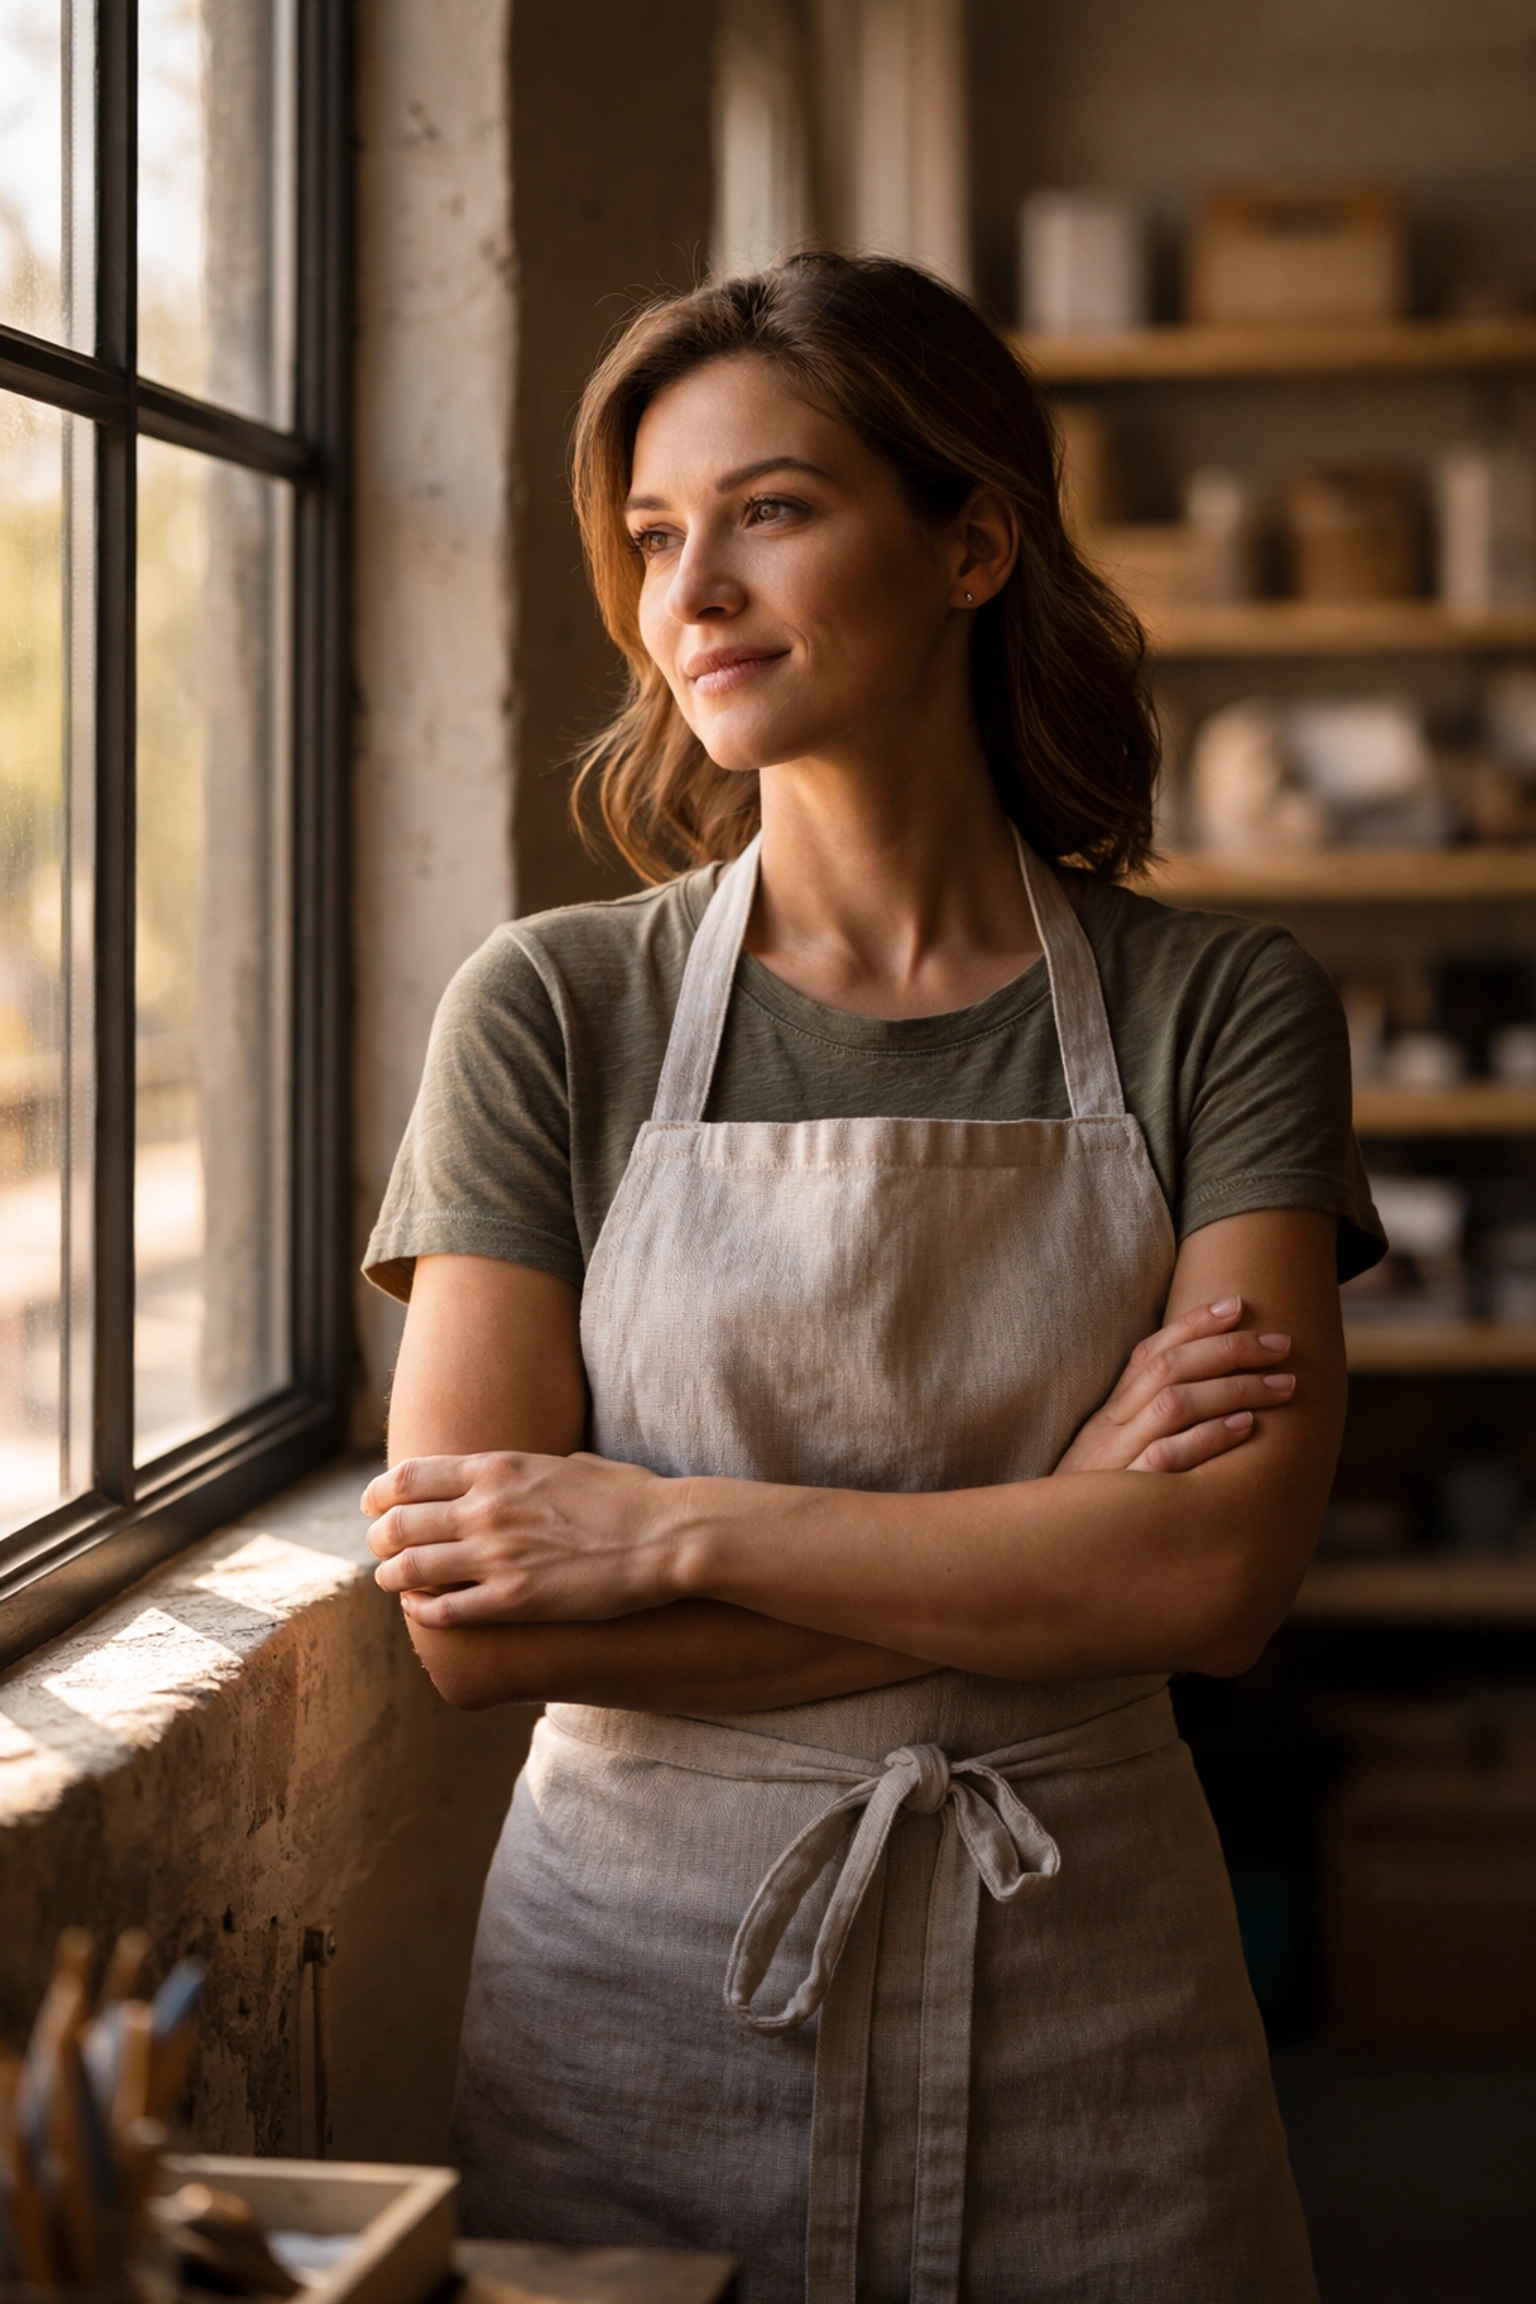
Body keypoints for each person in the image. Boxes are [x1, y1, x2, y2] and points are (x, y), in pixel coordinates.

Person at [361, 253, 1384, 2304]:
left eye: (772, 510)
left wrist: (666, 1531)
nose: (693, 594)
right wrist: (1058, 1538)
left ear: (973, 543)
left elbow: (1212, 1583)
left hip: (1096, 1999)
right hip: (638, 2002)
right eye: (657, 534)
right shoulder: (552, 1009)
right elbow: (480, 1627)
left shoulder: (1220, 1008)